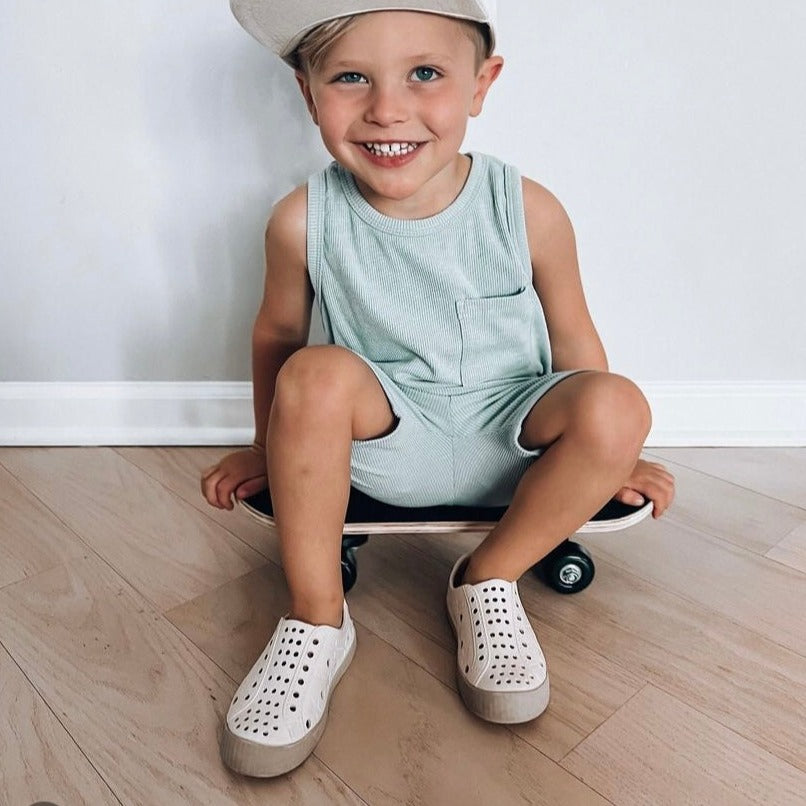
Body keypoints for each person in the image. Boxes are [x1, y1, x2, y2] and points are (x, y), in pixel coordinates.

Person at [203, 0, 675, 777]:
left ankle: (488, 577)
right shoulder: (302, 219)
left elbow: (576, 345)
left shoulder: (526, 208)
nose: (388, 109)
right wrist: (266, 446)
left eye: (425, 74)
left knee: (617, 397)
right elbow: (277, 339)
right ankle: (317, 617)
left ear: (482, 84)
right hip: (391, 438)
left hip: (510, 433)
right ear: (307, 92)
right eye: (351, 78)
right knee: (313, 371)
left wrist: (616, 452)